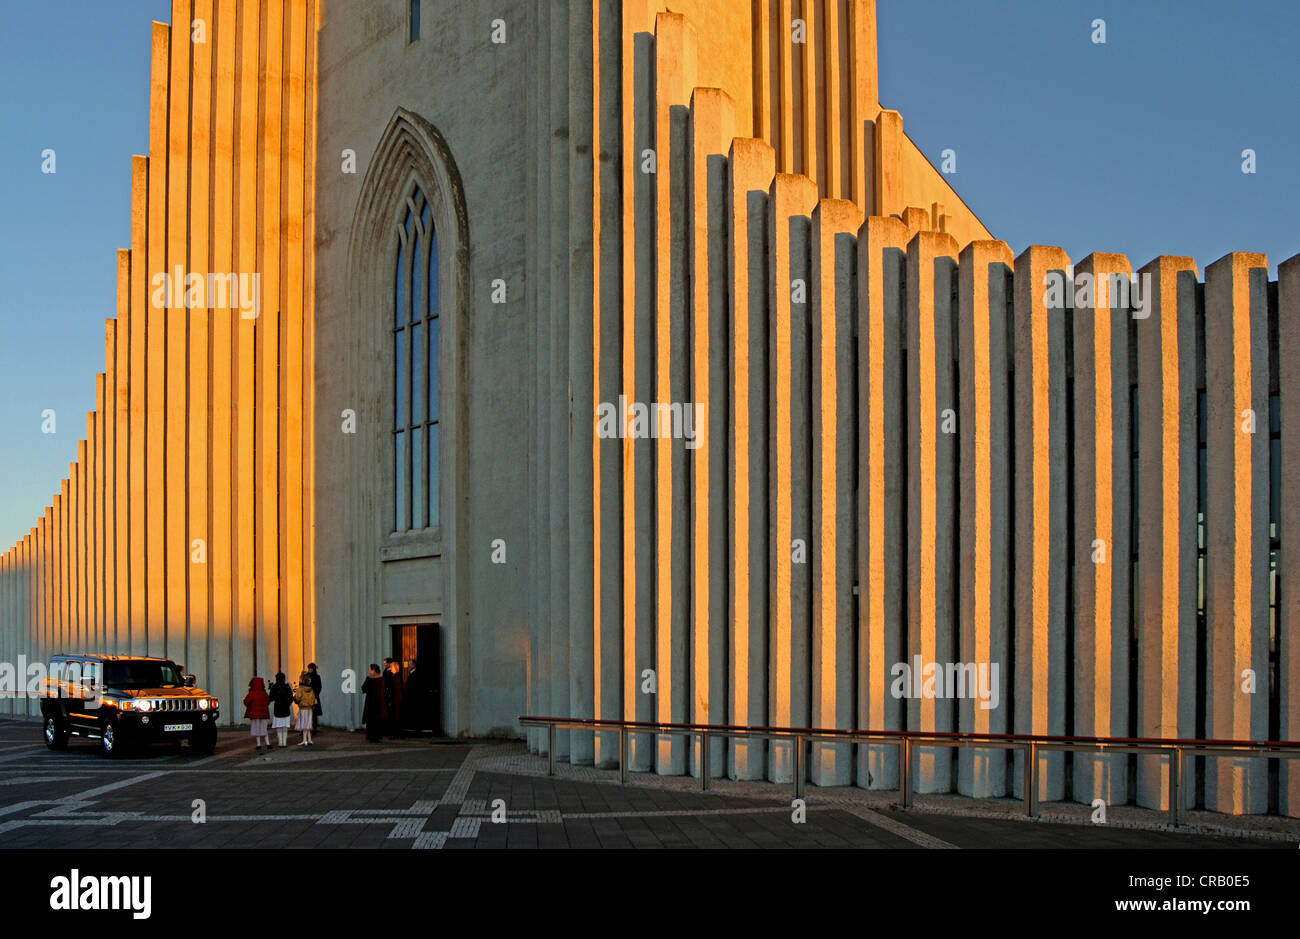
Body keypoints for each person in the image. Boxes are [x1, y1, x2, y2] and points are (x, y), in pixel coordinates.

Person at [243, 677, 270, 754]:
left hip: (254, 714)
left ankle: (258, 744)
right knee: (264, 728)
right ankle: (267, 743)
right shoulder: (264, 693)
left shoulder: (252, 693)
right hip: (263, 714)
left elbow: (246, 701)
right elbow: (268, 701)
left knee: (256, 729)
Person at [268, 671, 294, 749]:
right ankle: (284, 742)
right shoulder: (287, 686)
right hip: (285, 709)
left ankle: (280, 742)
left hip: (277, 709)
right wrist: (288, 704)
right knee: (285, 726)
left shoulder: (274, 687)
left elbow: (271, 698)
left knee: (279, 726)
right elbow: (291, 697)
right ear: (284, 678)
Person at [361, 664, 384, 743]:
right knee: (377, 719)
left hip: (370, 701)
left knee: (370, 719)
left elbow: (363, 688)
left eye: (371, 669)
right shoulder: (381, 678)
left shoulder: (369, 679)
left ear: (373, 670)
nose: (370, 671)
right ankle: (377, 737)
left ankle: (371, 737)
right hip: (378, 701)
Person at [293, 671, 317, 746]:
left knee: (303, 725)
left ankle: (304, 740)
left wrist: (296, 700)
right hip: (309, 709)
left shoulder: (300, 689)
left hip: (303, 708)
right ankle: (309, 739)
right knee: (308, 724)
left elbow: (297, 698)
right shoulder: (311, 690)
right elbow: (313, 700)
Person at [382, 658, 404, 738]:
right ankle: (394, 733)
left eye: (391, 667)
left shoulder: (396, 677)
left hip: (395, 700)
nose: (390, 669)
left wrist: (391, 697)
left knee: (395, 717)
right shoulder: (395, 676)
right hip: (394, 699)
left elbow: (395, 689)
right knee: (393, 716)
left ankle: (396, 733)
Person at [307, 663, 323, 733]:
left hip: (314, 697)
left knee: (314, 714)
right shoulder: (306, 676)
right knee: (306, 713)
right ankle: (305, 729)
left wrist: (314, 692)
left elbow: (319, 687)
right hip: (307, 697)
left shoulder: (317, 677)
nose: (309, 670)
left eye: (311, 668)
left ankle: (314, 728)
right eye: (309, 668)